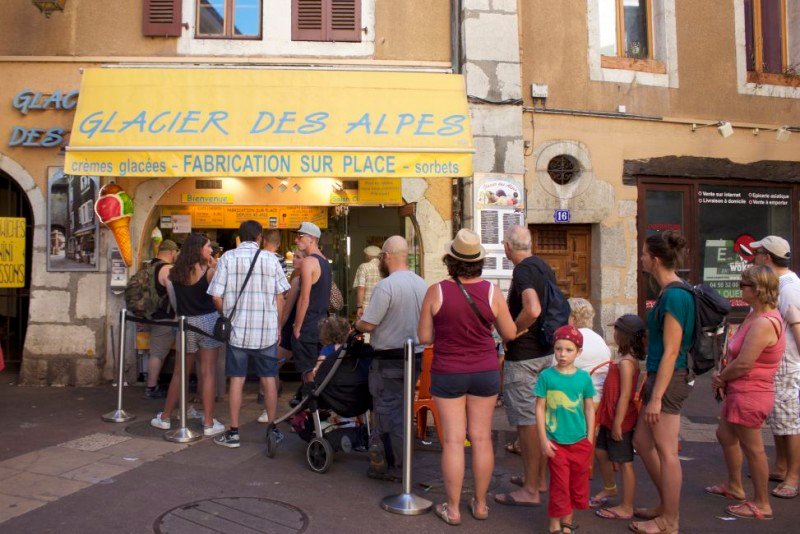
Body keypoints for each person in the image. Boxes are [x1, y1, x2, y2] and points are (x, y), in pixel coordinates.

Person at [418, 228, 516, 525]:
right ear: (478, 261)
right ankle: (481, 504)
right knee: (483, 439)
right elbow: (509, 333)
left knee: (453, 441)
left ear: (451, 260)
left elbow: (424, 336)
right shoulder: (492, 291)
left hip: (448, 371)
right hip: (485, 369)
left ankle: (453, 508)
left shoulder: (436, 291)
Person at [706, 265, 785, 520]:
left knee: (754, 448)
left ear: (758, 289)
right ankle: (735, 486)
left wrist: (720, 378)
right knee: (725, 434)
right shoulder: (755, 315)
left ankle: (762, 503)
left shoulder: (763, 322)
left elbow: (744, 363)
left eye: (744, 285)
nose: (740, 288)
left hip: (751, 391)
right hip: (741, 390)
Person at [630, 231, 695, 534]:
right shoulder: (671, 292)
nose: (641, 257)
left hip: (670, 379)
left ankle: (671, 520)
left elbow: (672, 351)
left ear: (654, 260)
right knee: (643, 442)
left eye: (644, 254)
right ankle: (665, 505)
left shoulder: (674, 295)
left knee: (667, 450)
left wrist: (656, 397)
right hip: (660, 376)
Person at [209, 220, 290, 448]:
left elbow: (216, 295)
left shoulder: (227, 258)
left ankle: (233, 433)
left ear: (239, 237)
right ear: (260, 237)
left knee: (237, 380)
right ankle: (272, 429)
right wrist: (277, 327)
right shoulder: (271, 259)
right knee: (269, 379)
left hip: (237, 332)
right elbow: (280, 296)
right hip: (266, 331)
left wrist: (227, 315)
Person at [355, 235, 428, 481]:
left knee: (387, 413)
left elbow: (369, 323)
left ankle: (392, 464)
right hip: (415, 357)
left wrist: (356, 323)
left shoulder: (386, 286)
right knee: (404, 408)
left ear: (386, 256)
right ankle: (403, 460)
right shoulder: (421, 283)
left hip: (388, 359)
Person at [495, 225, 556, 507]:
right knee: (538, 420)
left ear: (508, 246)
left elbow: (532, 308)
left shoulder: (522, 271)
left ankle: (531, 489)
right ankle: (537, 479)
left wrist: (512, 331)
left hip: (526, 357)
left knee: (527, 425)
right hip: (544, 353)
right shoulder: (543, 266)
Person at [150, 233, 224, 437]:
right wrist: (215, 265)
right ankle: (208, 422)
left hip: (186, 322)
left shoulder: (174, 272)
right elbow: (219, 295)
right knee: (208, 372)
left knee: (179, 373)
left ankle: (165, 417)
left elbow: (174, 301)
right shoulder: (209, 272)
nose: (210, 250)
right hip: (208, 322)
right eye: (208, 247)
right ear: (199, 249)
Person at [535, 325, 596, 534]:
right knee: (559, 484)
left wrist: (589, 438)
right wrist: (543, 440)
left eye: (569, 350)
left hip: (579, 440)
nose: (562, 354)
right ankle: (554, 524)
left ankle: (567, 522)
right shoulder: (546, 377)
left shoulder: (583, 378)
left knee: (576, 484)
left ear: (578, 352)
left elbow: (589, 408)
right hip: (555, 441)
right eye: (559, 349)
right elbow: (539, 408)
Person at [752, 236, 800, 499]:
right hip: (781, 363)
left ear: (768, 258)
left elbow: (796, 325)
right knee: (780, 421)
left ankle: (793, 475)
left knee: (790, 422)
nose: (755, 256)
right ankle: (781, 466)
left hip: (788, 364)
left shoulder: (788, 288)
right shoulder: (783, 283)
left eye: (758, 253)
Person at [593, 314, 646, 521]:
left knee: (624, 462)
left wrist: (617, 423)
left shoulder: (626, 362)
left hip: (619, 419)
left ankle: (627, 505)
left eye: (616, 330)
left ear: (624, 335)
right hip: (610, 416)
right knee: (600, 452)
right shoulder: (623, 358)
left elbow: (625, 394)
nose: (613, 333)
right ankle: (610, 488)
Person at [292, 222, 332, 378]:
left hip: (308, 326)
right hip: (321, 325)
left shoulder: (308, 262)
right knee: (318, 370)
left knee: (308, 373)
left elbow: (304, 298)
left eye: (300, 236)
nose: (296, 240)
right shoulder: (325, 262)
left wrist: (297, 326)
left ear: (312, 239)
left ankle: (311, 401)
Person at [142, 239, 179, 399]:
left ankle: (153, 383)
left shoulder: (148, 266)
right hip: (163, 317)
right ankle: (151, 388)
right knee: (157, 353)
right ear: (172, 252)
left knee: (158, 351)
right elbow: (173, 294)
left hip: (149, 315)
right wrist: (178, 313)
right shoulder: (167, 269)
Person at [561, 297, 611, 404]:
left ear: (573, 318)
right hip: (601, 398)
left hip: (578, 400)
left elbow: (556, 370)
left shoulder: (571, 339)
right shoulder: (599, 339)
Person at [353, 245, 382, 318]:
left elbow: (361, 287)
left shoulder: (364, 266)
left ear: (368, 256)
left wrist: (359, 307)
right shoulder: (383, 267)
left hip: (367, 308)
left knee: (365, 328)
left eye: (365, 255)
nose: (364, 257)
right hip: (382, 307)